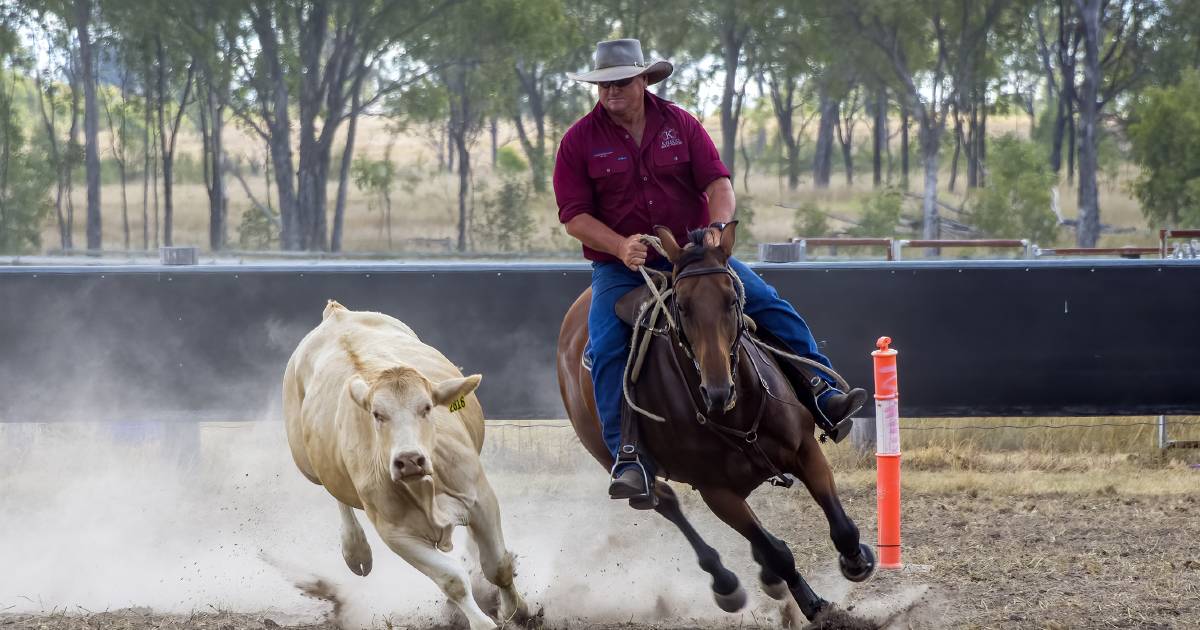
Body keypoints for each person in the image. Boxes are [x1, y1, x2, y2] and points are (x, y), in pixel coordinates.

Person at [553, 39, 868, 501]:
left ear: (643, 81)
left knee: (765, 301)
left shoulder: (680, 124)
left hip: (694, 258)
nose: (611, 93)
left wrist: (717, 231)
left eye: (620, 83)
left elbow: (718, 183)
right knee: (605, 348)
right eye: (603, 85)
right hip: (624, 269)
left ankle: (821, 390)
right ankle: (628, 455)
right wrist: (620, 245)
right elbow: (574, 217)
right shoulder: (579, 141)